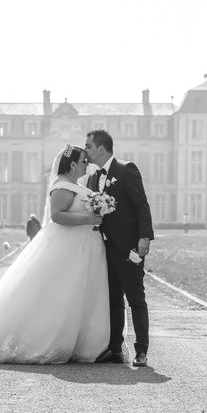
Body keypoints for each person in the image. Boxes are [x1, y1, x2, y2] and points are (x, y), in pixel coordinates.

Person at [0, 145, 108, 364]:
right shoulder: (62, 185)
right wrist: (88, 220)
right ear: (72, 164)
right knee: (61, 292)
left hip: (83, 246)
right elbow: (57, 216)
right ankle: (49, 341)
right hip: (69, 245)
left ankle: (79, 342)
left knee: (77, 293)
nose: (86, 165)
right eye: (83, 162)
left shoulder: (74, 184)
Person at [85, 129, 154, 368]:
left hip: (128, 248)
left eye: (89, 147)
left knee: (136, 299)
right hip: (104, 248)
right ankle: (115, 348)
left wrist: (144, 237)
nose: (86, 151)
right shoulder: (94, 179)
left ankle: (142, 351)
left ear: (101, 148)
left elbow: (141, 205)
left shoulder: (127, 170)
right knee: (113, 299)